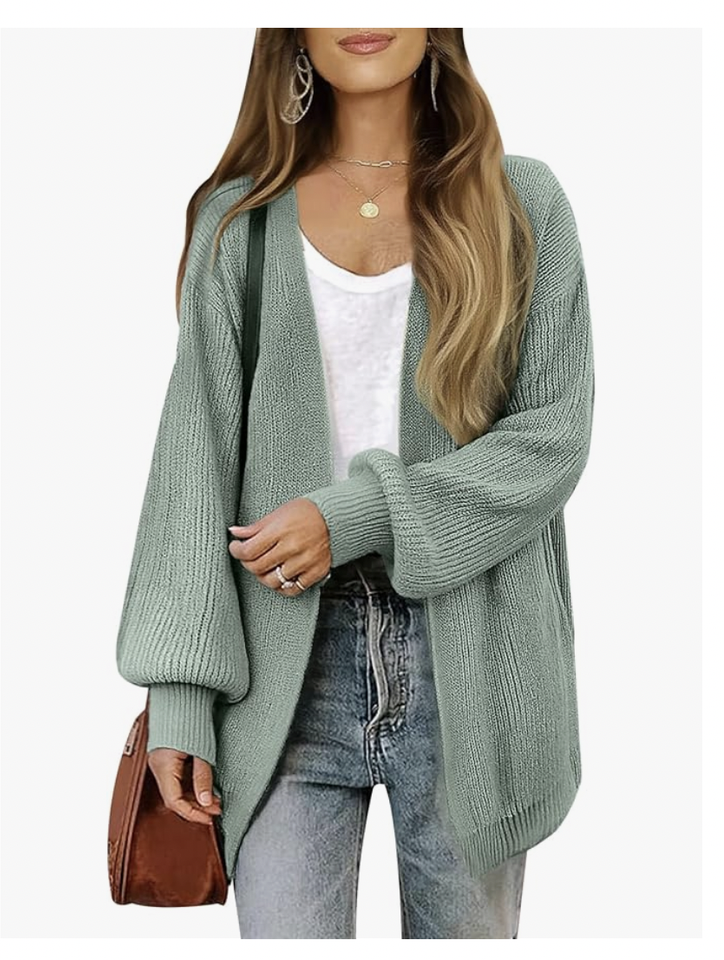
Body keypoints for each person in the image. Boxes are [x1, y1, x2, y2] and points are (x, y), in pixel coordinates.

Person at [115, 27, 594, 939]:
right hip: (278, 668)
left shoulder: (519, 203)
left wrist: (359, 513)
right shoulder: (240, 220)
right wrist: (178, 694)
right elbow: (192, 464)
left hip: (472, 653)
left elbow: (551, 438)